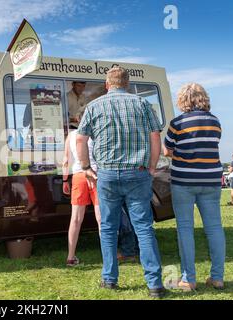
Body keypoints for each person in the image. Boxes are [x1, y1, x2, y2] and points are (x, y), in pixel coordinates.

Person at [76, 66, 165, 298]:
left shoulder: (94, 106)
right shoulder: (143, 104)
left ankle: (109, 279)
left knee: (107, 227)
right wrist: (153, 165)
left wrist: (85, 167)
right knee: (143, 227)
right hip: (138, 172)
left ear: (107, 85)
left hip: (106, 174)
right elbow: (155, 136)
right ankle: (154, 285)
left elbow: (80, 139)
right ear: (127, 84)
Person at [163, 83, 226, 291]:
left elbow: (167, 151)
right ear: (203, 98)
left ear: (183, 100)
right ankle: (217, 277)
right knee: (214, 228)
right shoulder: (215, 122)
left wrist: (181, 154)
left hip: (184, 181)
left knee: (185, 228)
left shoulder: (177, 123)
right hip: (211, 180)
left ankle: (188, 279)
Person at [62, 116, 100, 266]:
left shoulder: (71, 135)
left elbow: (66, 160)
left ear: (78, 119)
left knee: (76, 219)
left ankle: (70, 257)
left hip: (78, 176)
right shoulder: (97, 133)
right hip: (96, 175)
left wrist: (65, 180)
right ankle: (108, 254)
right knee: (101, 219)